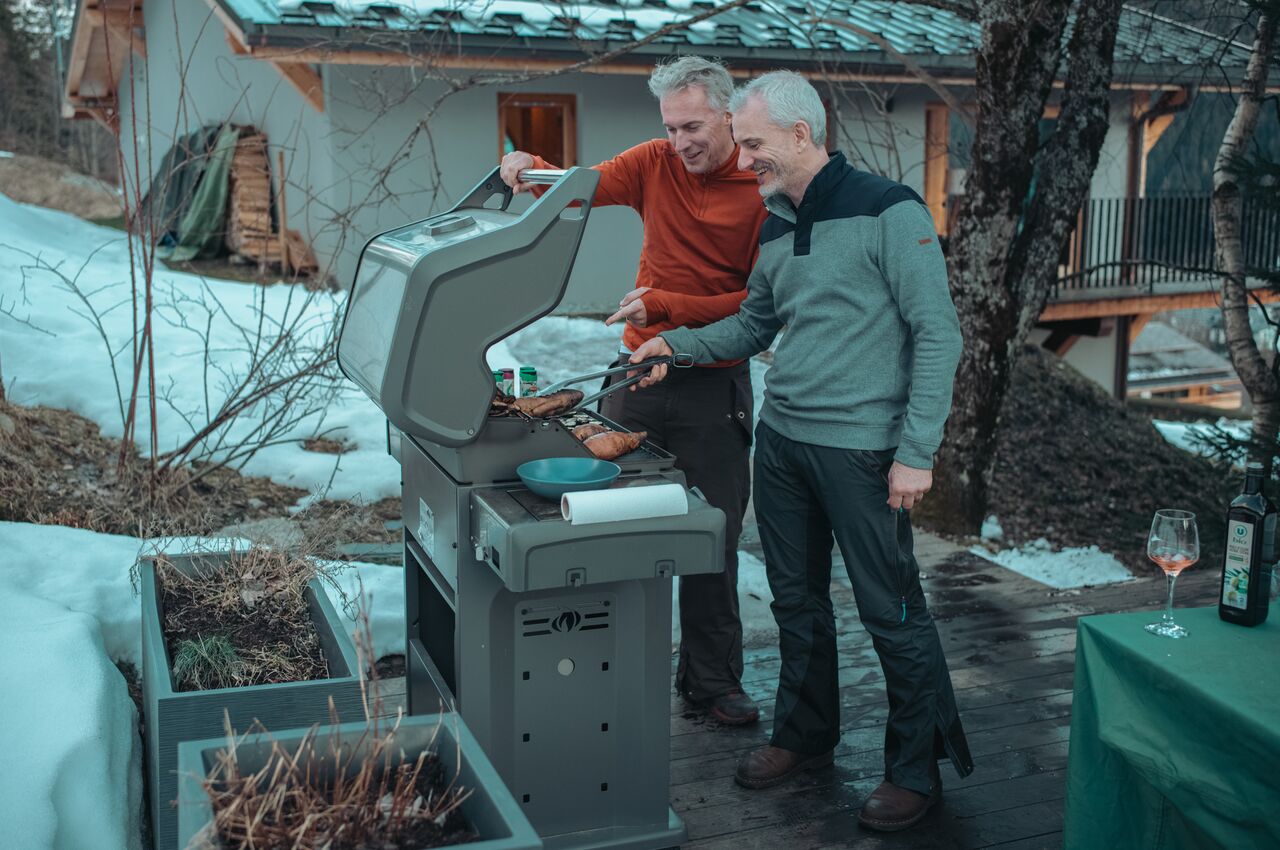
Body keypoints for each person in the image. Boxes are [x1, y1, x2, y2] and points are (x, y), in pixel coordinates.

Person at [629, 70, 975, 832]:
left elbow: (938, 335)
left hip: (862, 452)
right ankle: (806, 734)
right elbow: (755, 325)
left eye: (752, 143)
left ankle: (915, 770)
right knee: (796, 603)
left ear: (800, 134)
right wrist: (673, 345)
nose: (742, 158)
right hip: (783, 443)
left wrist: (916, 452)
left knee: (892, 612)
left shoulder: (891, 211)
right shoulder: (778, 221)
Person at [500, 56, 768, 726]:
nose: (681, 142)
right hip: (636, 381)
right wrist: (527, 165)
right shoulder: (653, 163)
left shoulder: (764, 186)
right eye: (671, 128)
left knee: (713, 539)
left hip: (716, 387)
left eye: (693, 126)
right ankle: (605, 674)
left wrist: (669, 305)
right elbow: (573, 188)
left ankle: (712, 683)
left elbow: (760, 304)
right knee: (606, 526)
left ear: (730, 115)